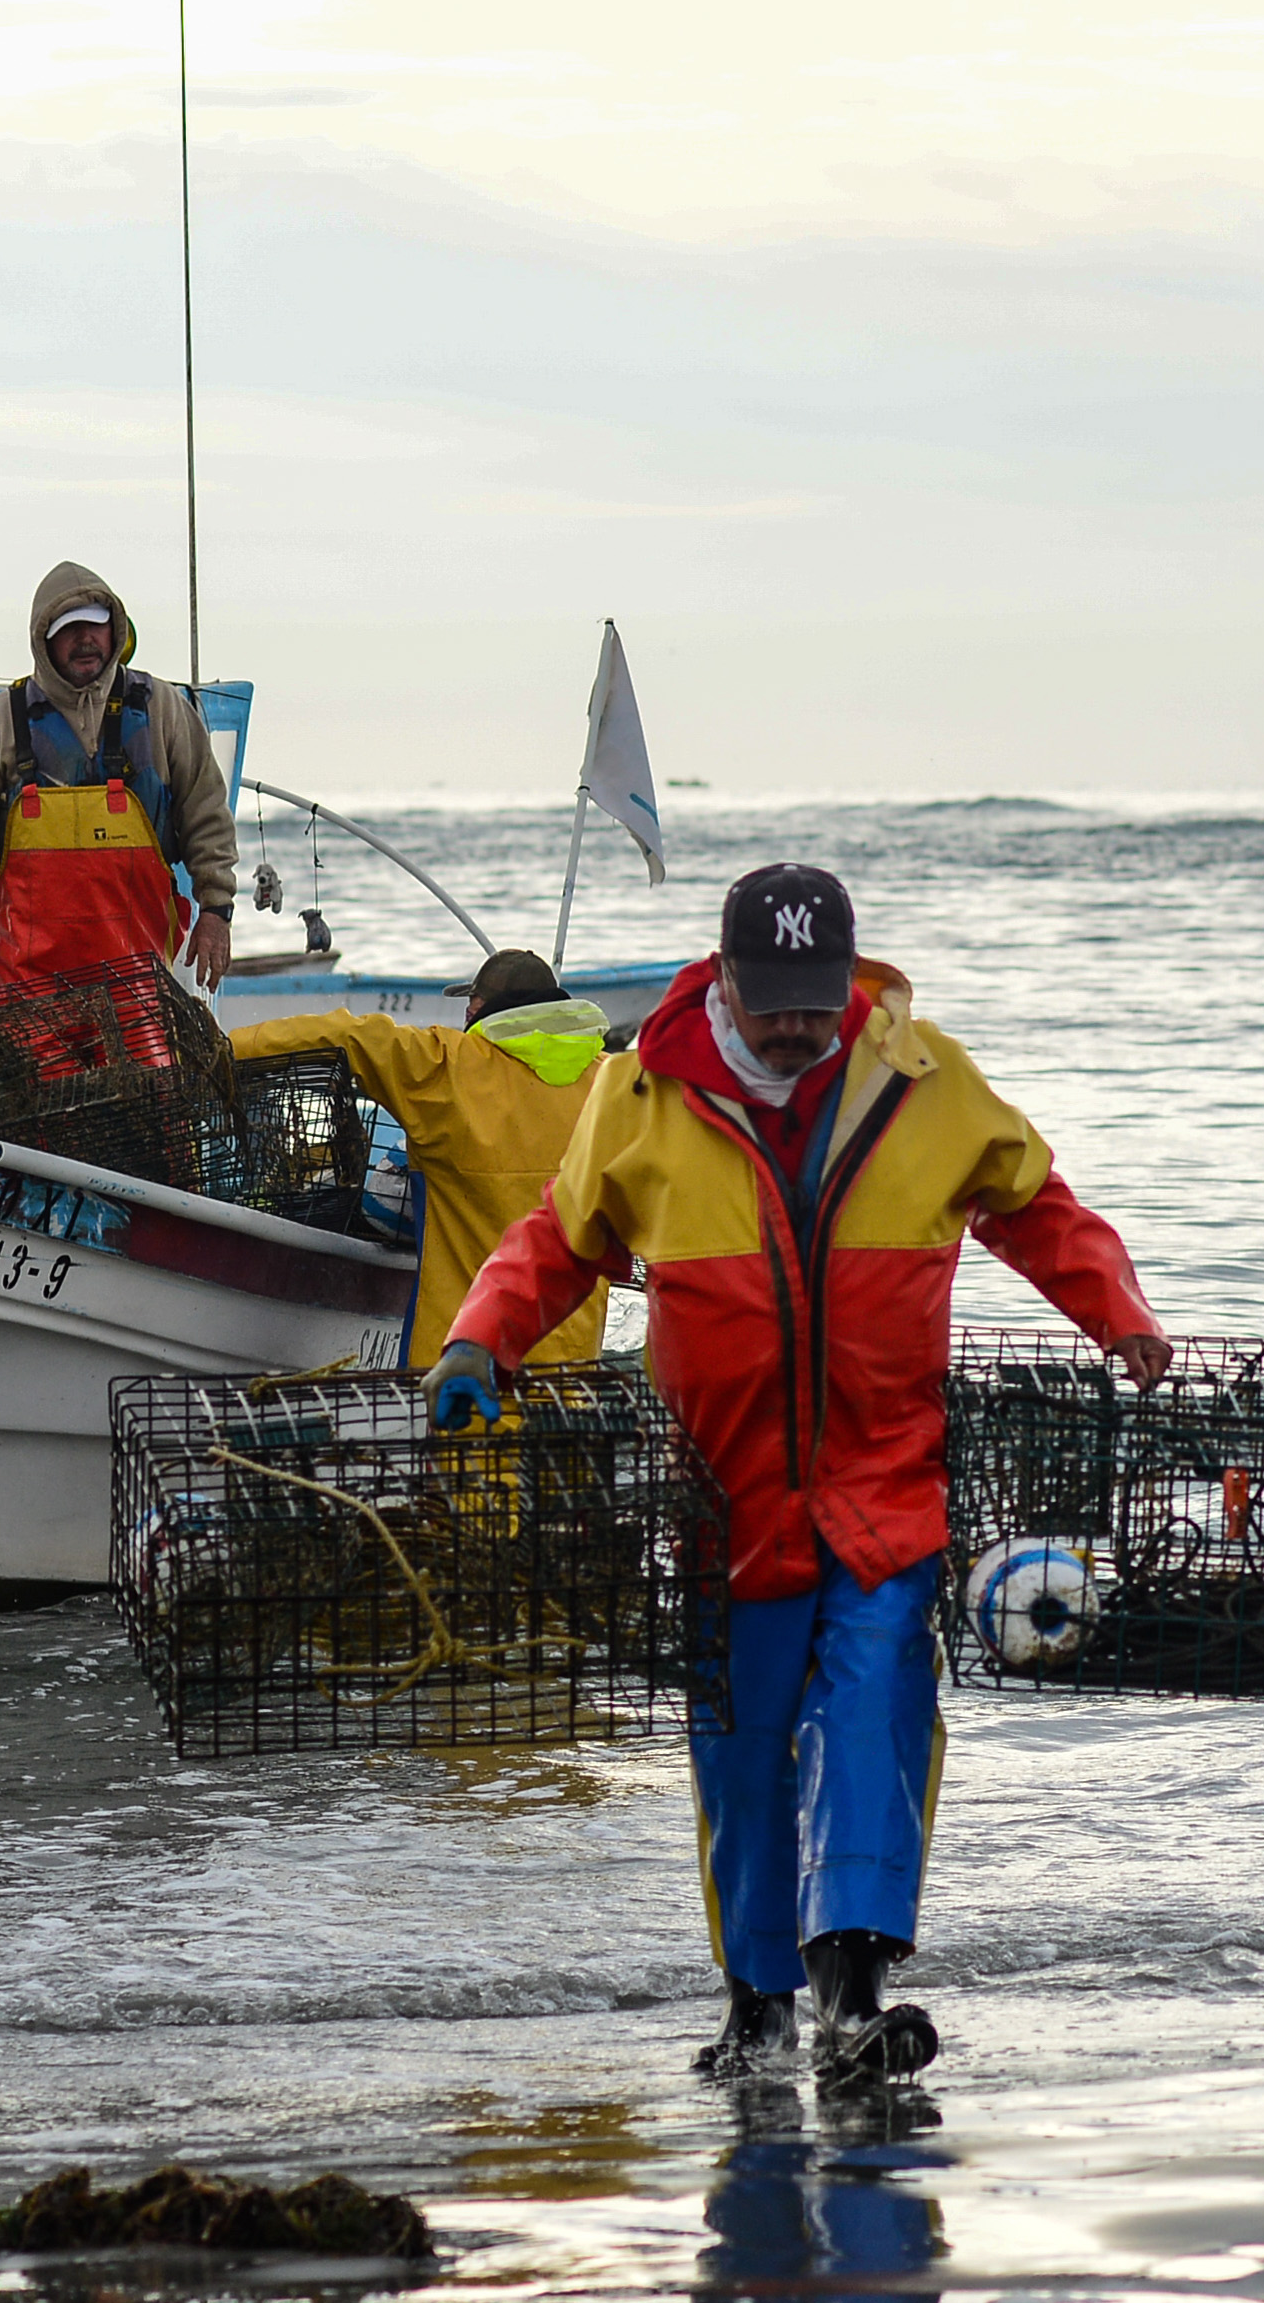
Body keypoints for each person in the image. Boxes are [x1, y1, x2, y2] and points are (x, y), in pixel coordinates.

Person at [433, 865, 1171, 2089]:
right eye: (771, 1001)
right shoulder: (639, 1094)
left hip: (884, 1482)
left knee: (877, 1708)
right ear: (722, 980)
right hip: (722, 1503)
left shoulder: (924, 1080)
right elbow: (556, 1242)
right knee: (740, 1746)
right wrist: (479, 1337)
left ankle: (855, 1992)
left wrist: (1118, 1312)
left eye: (814, 1002)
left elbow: (1035, 1203)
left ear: (847, 984)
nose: (794, 1024)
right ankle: (756, 2007)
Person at [229, 947, 616, 1366]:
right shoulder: (613, 1086)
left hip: (460, 1369)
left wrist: (227, 1047)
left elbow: (347, 1034)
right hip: (575, 1373)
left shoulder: (444, 1069)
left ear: (477, 1009)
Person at [0, 562, 237, 1004]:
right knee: (30, 1074)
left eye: (97, 625)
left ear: (116, 631)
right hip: (29, 986)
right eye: (70, 629)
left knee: (145, 1075)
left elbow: (208, 818)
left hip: (138, 981)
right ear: (43, 640)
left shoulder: (163, 709)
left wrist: (216, 912)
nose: (86, 639)